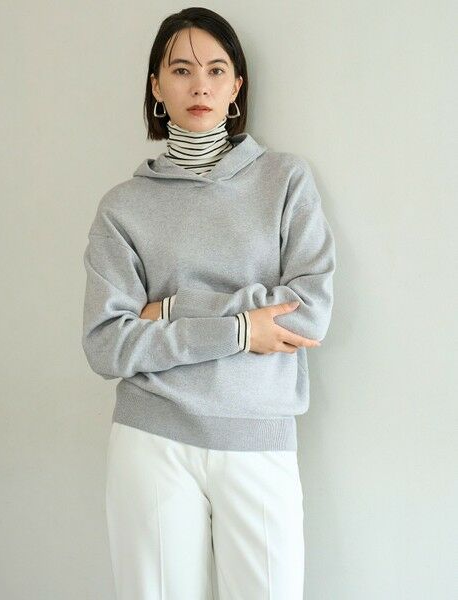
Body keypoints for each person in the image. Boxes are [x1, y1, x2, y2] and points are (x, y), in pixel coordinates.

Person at [81, 7, 336, 600]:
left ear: (236, 86)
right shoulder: (123, 207)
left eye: (216, 70)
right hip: (152, 437)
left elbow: (307, 312)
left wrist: (171, 310)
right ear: (156, 85)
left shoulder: (285, 181)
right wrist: (243, 329)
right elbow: (105, 343)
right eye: (181, 70)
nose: (200, 85)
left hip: (257, 437)